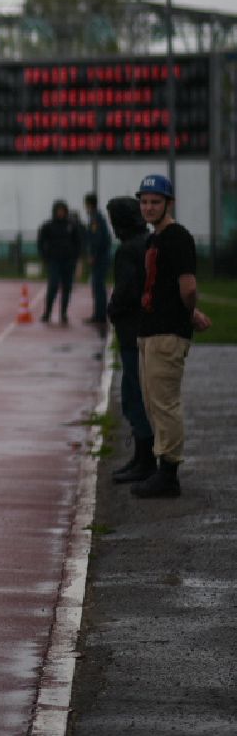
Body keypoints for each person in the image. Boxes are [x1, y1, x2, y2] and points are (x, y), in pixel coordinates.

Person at [130, 174, 212, 499]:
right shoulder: (154, 240)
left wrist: (188, 313)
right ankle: (160, 463)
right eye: (145, 202)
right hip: (150, 331)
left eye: (155, 202)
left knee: (165, 403)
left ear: (168, 203)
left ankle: (169, 473)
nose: (149, 207)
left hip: (167, 333)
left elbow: (188, 286)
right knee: (153, 401)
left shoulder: (177, 238)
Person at [103, 196, 154, 484]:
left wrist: (113, 308)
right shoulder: (148, 242)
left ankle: (145, 460)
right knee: (137, 392)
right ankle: (141, 457)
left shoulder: (127, 250)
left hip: (131, 330)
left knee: (135, 395)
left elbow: (127, 289)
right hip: (145, 328)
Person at [36, 199, 84, 323]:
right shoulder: (49, 225)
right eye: (59, 211)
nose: (61, 213)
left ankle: (63, 313)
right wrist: (44, 256)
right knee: (53, 286)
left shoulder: (71, 225)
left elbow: (78, 242)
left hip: (68, 262)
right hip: (54, 261)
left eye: (63, 211)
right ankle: (47, 312)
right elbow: (41, 241)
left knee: (67, 288)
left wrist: (76, 257)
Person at [82, 192, 112, 325]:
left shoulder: (95, 219)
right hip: (102, 257)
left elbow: (97, 240)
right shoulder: (98, 217)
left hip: (100, 258)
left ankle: (99, 316)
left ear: (88, 204)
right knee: (98, 286)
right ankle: (99, 314)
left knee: (98, 286)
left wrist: (93, 255)